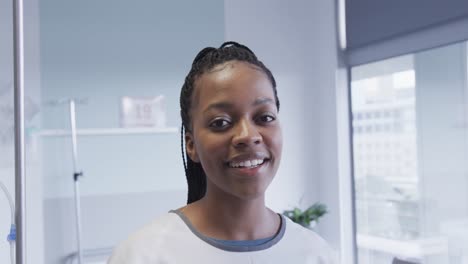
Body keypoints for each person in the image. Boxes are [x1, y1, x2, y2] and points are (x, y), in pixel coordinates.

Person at [108, 41, 337, 264]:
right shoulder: (142, 255)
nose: (248, 135)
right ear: (191, 145)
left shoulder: (315, 254)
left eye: (264, 117)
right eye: (221, 122)